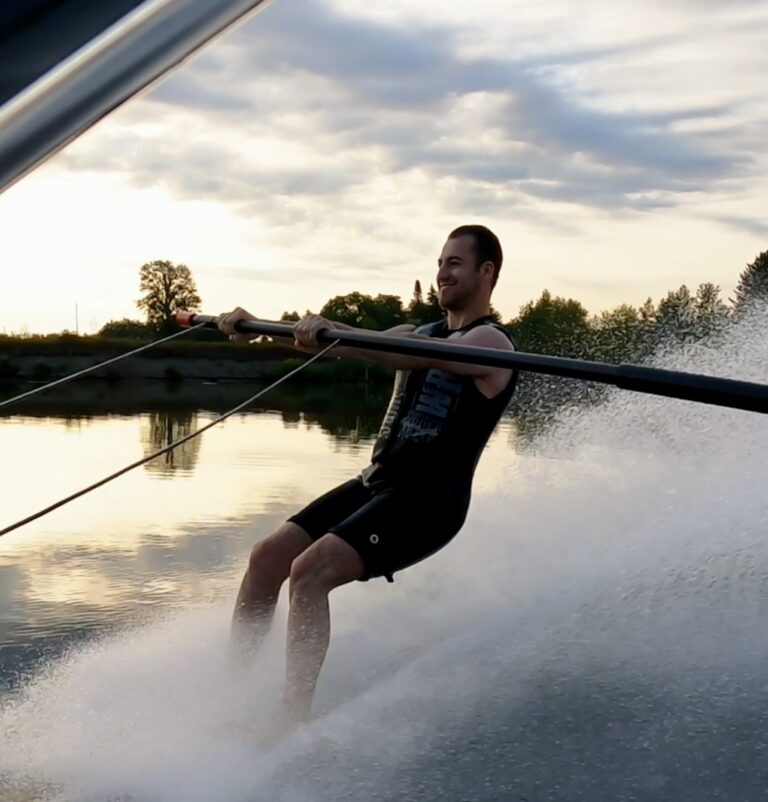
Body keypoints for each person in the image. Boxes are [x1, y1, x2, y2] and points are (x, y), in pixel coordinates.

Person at [216, 224, 518, 731]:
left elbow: (403, 356)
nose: (442, 272)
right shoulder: (419, 332)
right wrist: (255, 325)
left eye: (455, 263)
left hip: (429, 501)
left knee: (309, 571)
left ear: (486, 273)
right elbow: (340, 345)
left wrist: (349, 340)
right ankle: (228, 694)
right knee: (268, 558)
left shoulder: (491, 343)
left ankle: (291, 721)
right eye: (440, 262)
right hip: (378, 482)